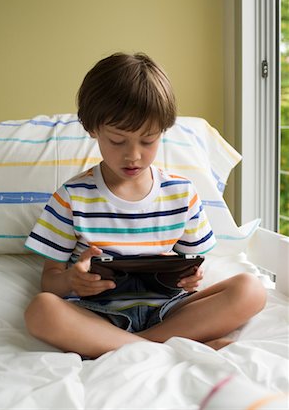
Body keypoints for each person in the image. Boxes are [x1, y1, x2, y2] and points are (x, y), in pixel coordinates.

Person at [24, 52, 266, 358]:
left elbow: (193, 267)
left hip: (168, 311)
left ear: (163, 131)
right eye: (118, 141)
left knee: (251, 289)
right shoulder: (72, 197)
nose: (134, 155)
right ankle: (170, 349)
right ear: (92, 129)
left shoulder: (182, 193)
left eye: (148, 141)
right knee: (41, 310)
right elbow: (49, 282)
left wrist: (191, 278)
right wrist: (72, 280)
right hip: (97, 314)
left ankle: (142, 346)